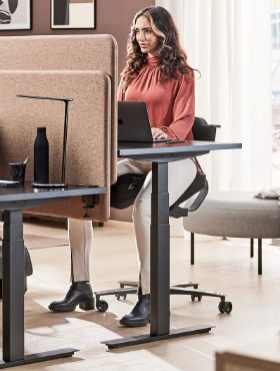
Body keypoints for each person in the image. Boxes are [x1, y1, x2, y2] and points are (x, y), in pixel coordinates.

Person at [49, 6, 198, 328]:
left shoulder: (182, 73)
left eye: (148, 31)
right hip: (140, 157)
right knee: (82, 194)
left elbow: (185, 122)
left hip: (177, 159)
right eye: (138, 31)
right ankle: (81, 285)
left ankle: (149, 295)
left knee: (144, 206)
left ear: (163, 33)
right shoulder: (132, 71)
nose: (141, 38)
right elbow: (118, 114)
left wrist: (167, 132)